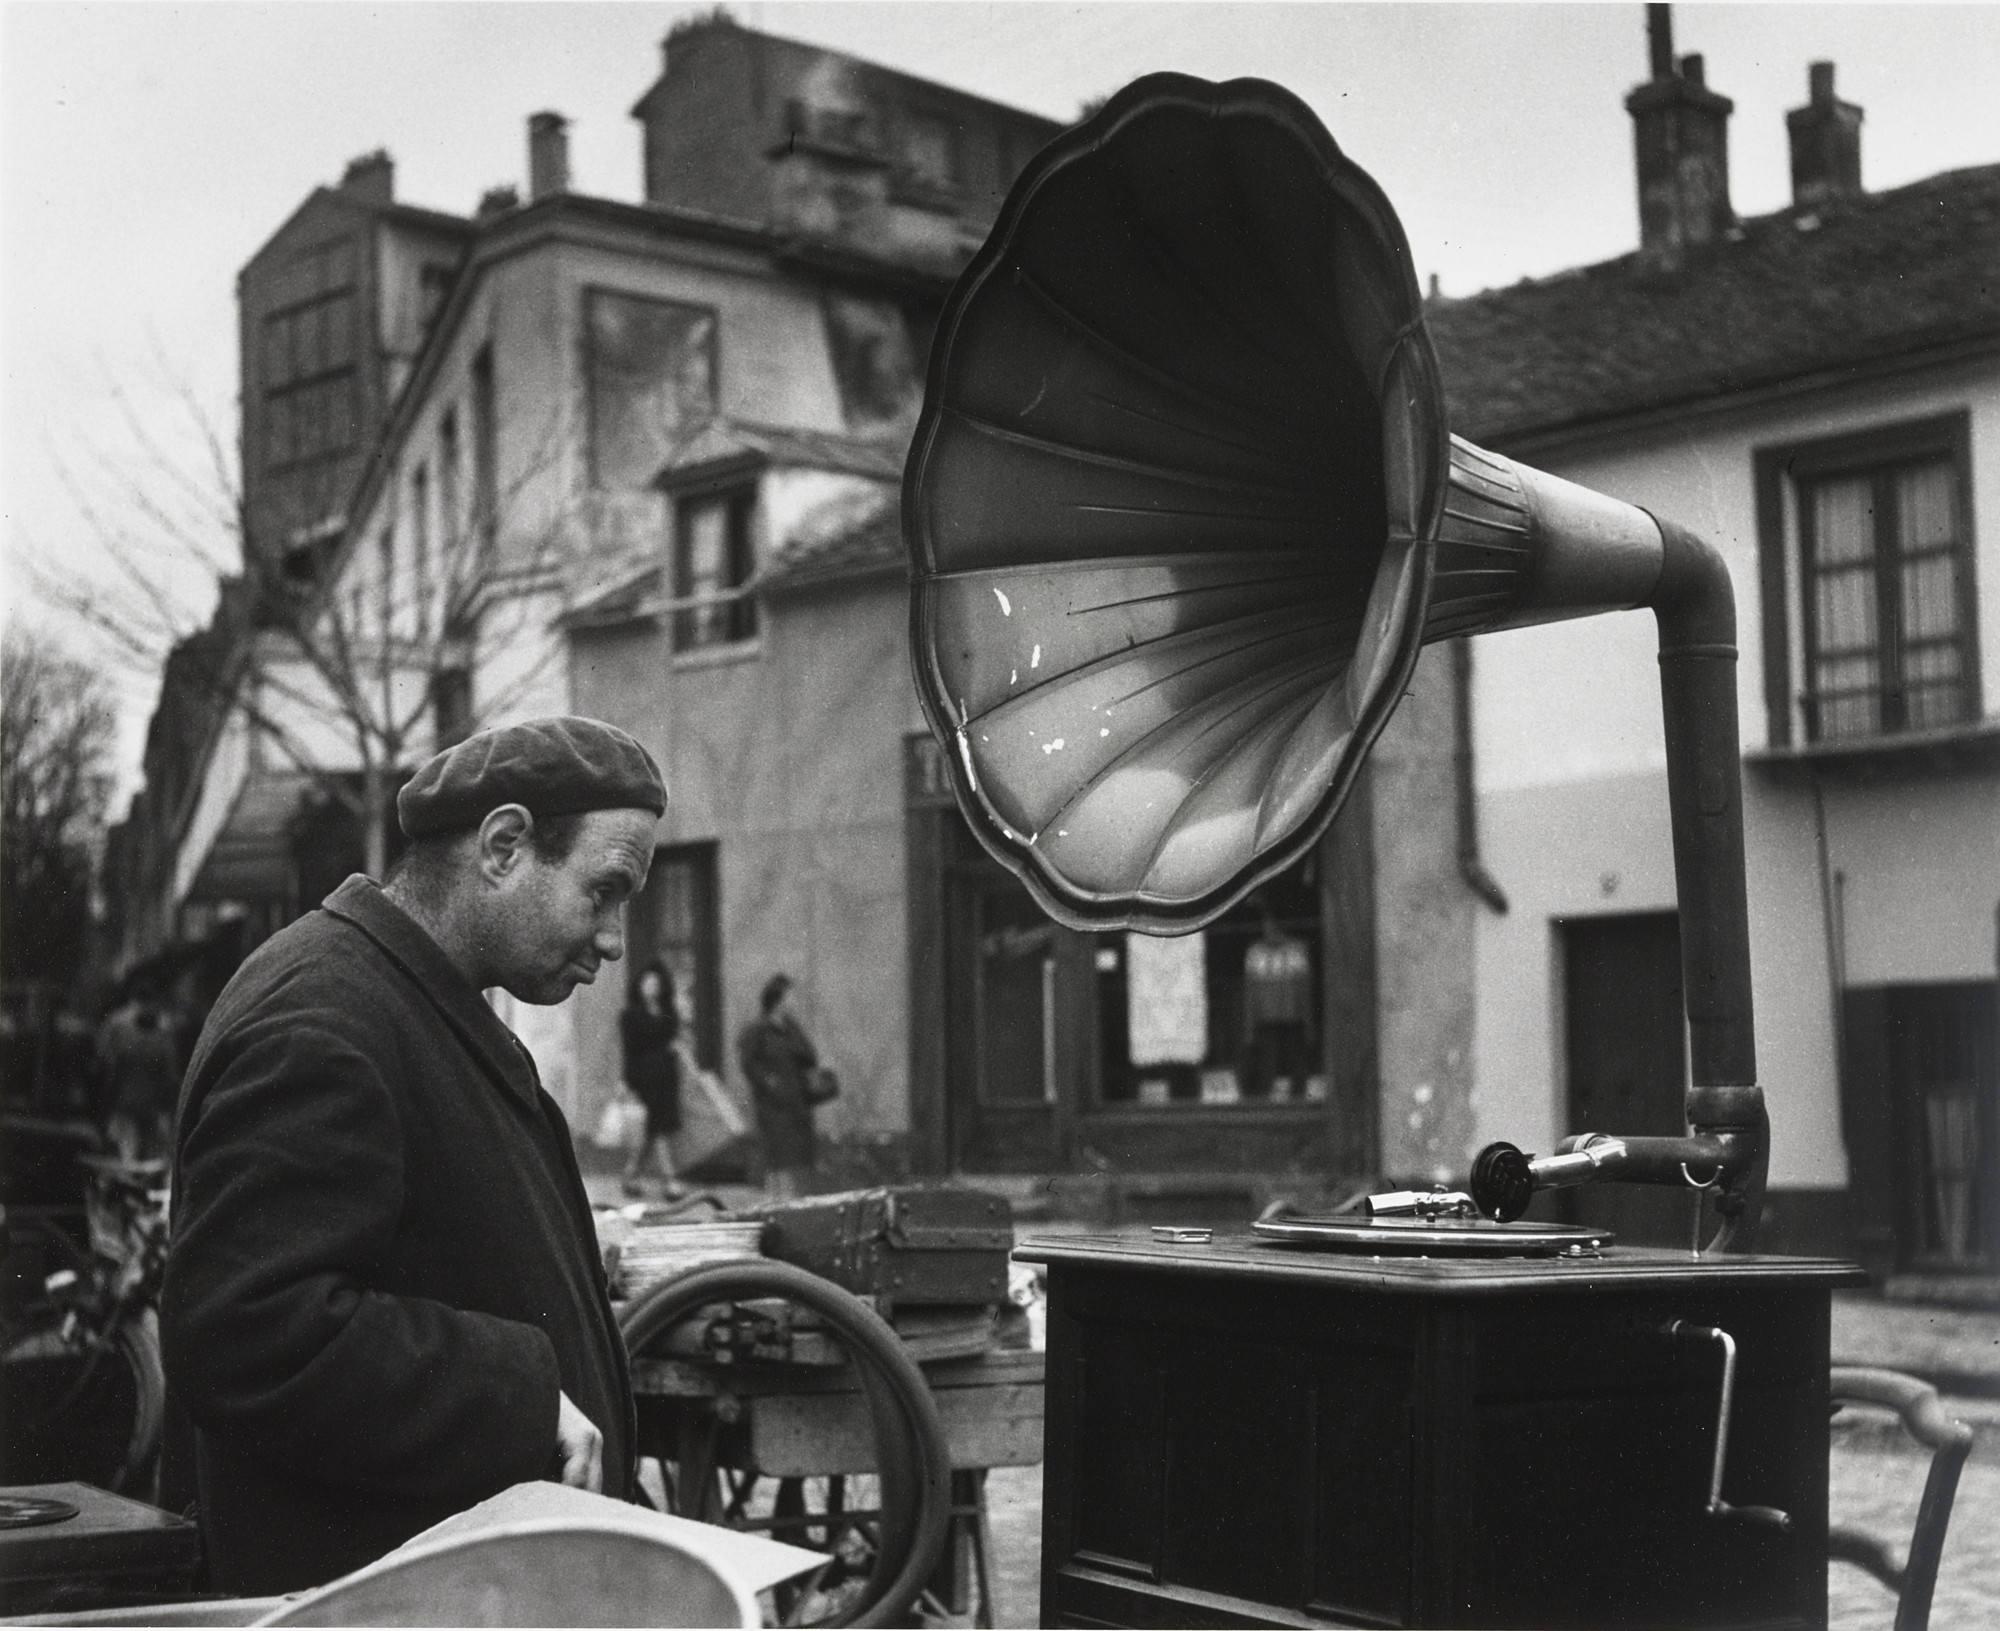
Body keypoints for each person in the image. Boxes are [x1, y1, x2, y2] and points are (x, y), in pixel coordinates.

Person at [160, 717, 666, 1594]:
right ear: (504, 845)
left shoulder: (394, 999)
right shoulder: (325, 1019)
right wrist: (524, 1399)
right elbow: (249, 1334)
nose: (615, 938)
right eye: (604, 890)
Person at [736, 973, 819, 1200]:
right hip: (771, 1103)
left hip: (795, 1100)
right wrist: (768, 1082)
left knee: (794, 1157)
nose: (794, 1001)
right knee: (776, 1156)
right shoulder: (758, 1029)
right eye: (790, 997)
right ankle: (775, 1200)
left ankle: (789, 1201)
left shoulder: (791, 1027)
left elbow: (810, 1057)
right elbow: (748, 1062)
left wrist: (795, 1035)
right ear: (777, 999)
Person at [619, 960, 684, 1199]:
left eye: (655, 984)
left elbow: (673, 1040)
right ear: (639, 986)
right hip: (644, 1076)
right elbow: (629, 1050)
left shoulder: (669, 1011)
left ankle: (630, 1175)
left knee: (651, 1130)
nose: (651, 988)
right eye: (647, 983)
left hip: (666, 1076)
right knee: (658, 1128)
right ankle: (670, 1181)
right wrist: (628, 1081)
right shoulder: (630, 1015)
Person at [97, 990, 180, 1160]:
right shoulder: (118, 1025)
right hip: (124, 1105)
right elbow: (104, 1063)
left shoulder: (165, 1029)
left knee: (154, 1159)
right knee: (126, 1155)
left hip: (152, 1107)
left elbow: (169, 1072)